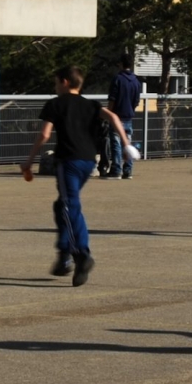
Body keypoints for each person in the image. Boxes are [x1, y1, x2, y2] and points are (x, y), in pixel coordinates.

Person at [21, 67, 129, 286]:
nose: (55, 86)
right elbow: (114, 117)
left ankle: (81, 254)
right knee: (62, 205)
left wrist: (29, 161)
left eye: (55, 82)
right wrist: (126, 144)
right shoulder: (90, 104)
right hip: (88, 161)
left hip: (68, 161)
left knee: (70, 206)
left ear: (64, 82)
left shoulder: (55, 104)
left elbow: (44, 134)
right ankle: (64, 255)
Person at [102, 55, 143, 180]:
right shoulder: (136, 80)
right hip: (128, 116)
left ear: (120, 64)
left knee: (116, 143)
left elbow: (112, 99)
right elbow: (136, 100)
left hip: (117, 115)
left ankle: (116, 170)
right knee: (127, 143)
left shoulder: (118, 79)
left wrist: (108, 113)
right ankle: (128, 170)